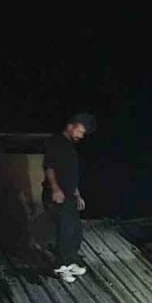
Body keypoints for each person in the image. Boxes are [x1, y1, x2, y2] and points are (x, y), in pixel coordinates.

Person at [43, 112, 96, 282]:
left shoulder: (70, 147)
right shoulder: (56, 142)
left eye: (83, 133)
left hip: (69, 194)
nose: (81, 135)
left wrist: (78, 194)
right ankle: (60, 266)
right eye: (80, 131)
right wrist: (55, 189)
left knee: (75, 230)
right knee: (65, 230)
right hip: (57, 194)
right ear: (70, 126)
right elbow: (49, 167)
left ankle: (70, 261)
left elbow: (71, 175)